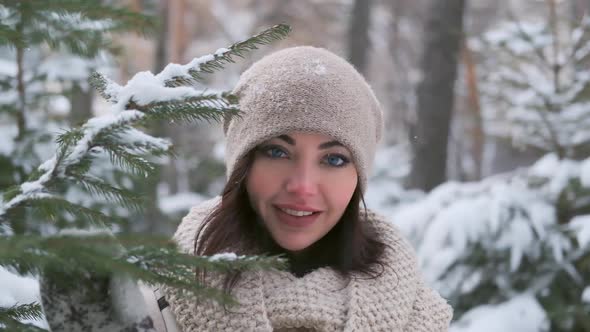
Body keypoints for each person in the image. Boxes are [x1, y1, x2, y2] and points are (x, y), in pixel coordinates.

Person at [142, 46, 453, 331]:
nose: (302, 186)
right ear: (242, 166)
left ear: (359, 176)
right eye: (277, 152)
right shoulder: (149, 308)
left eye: (333, 159)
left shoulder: (418, 319)